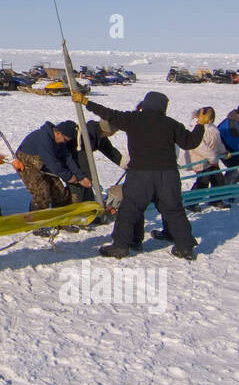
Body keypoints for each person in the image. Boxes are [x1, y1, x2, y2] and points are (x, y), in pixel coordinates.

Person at [74, 90, 205, 261]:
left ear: (146, 104)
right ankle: (185, 247)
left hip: (141, 175)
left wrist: (86, 102)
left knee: (129, 210)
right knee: (174, 210)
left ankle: (121, 246)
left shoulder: (133, 119)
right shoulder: (171, 124)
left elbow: (109, 114)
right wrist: (200, 124)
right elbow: (190, 142)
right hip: (168, 175)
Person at [16, 120, 92, 210]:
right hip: (26, 163)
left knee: (60, 193)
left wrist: (81, 177)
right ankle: (34, 221)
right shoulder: (43, 139)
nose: (64, 142)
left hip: (43, 165)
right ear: (58, 133)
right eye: (65, 139)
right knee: (42, 194)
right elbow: (53, 163)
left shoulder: (59, 142)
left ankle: (60, 221)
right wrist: (69, 177)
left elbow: (67, 158)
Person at [182, 107, 230, 209]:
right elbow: (199, 146)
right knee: (203, 181)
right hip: (200, 159)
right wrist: (212, 157)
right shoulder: (196, 129)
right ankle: (191, 202)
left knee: (218, 180)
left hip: (211, 160)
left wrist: (223, 151)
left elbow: (218, 142)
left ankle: (216, 199)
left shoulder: (213, 128)